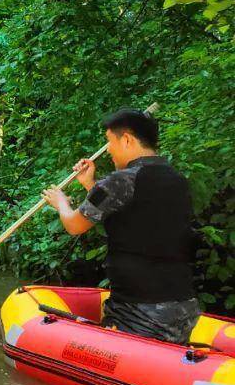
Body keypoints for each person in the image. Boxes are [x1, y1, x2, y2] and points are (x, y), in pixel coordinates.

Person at [41, 108, 199, 344]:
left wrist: (61, 202)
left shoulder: (120, 180)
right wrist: (90, 185)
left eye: (109, 142)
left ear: (126, 139)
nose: (108, 151)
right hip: (184, 306)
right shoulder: (177, 179)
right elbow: (134, 214)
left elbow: (75, 225)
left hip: (140, 312)